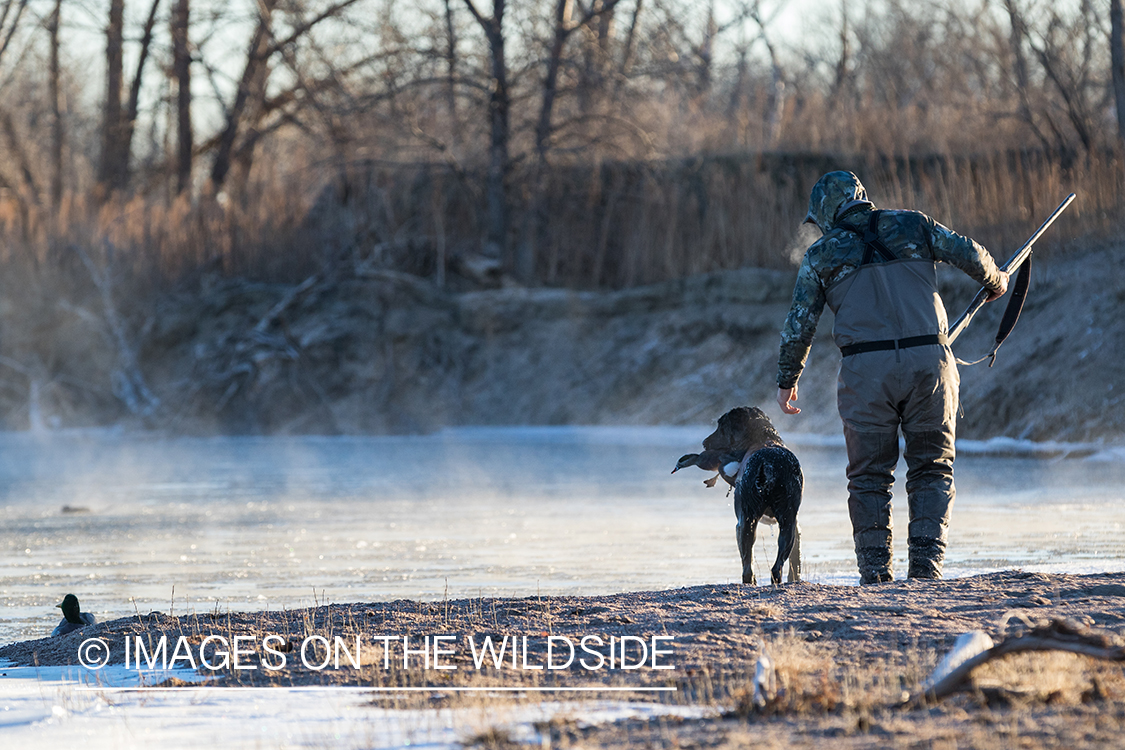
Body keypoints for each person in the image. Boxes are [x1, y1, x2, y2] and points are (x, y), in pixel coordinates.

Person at [775, 171, 1008, 584]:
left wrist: (788, 378)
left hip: (866, 376)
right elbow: (970, 253)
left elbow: (799, 325)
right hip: (929, 365)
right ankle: (926, 571)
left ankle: (874, 576)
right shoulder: (913, 224)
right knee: (932, 468)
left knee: (868, 477)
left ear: (826, 213)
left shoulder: (821, 255)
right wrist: (996, 280)